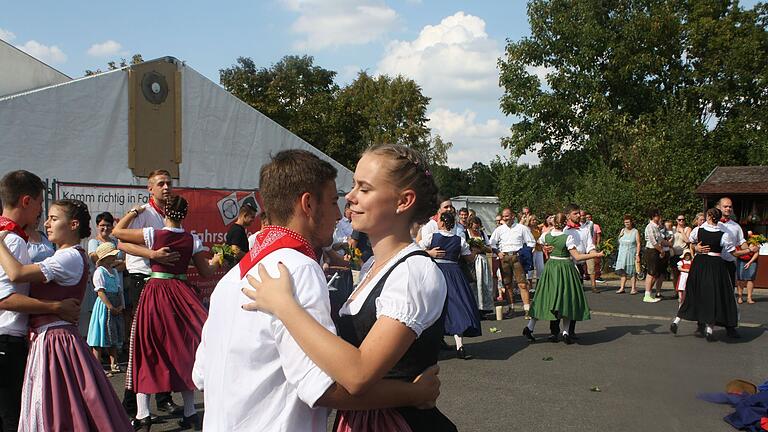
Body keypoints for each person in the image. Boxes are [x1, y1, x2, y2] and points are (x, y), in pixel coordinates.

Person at [195, 148, 443, 431]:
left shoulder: (235, 277)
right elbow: (323, 386)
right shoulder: (304, 268)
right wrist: (415, 393)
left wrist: (285, 308)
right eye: (345, 192)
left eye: (364, 187)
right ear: (308, 205)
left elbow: (202, 375)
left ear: (404, 201)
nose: (348, 199)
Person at [0, 199, 132, 431]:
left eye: (54, 218)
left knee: (58, 407)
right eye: (48, 218)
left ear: (73, 224)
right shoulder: (60, 255)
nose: (47, 224)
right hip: (50, 337)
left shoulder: (69, 256)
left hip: (56, 340)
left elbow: (16, 273)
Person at [112, 195, 220, 430]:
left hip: (156, 293)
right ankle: (191, 411)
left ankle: (143, 414)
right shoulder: (192, 240)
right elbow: (205, 271)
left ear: (165, 213)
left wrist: (134, 212)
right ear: (185, 214)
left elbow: (117, 232)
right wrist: (219, 260)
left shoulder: (154, 234)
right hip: (181, 295)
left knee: (147, 346)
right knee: (183, 349)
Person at [0, 171, 80, 432]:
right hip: (8, 337)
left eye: (53, 217)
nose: (43, 216)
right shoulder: (11, 239)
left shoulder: (13, 238)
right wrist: (54, 307)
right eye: (39, 204)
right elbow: (5, 297)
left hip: (18, 337)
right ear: (26, 201)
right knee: (14, 416)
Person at [117, 169, 181, 418]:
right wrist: (152, 255)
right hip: (143, 281)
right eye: (161, 184)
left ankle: (164, 398)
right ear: (150, 189)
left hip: (164, 283)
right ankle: (131, 407)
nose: (166, 187)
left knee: (165, 342)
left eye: (169, 183)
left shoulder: (172, 215)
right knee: (142, 345)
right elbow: (121, 242)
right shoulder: (144, 213)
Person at [670, 208, 752, 341]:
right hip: (714, 264)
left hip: (700, 264)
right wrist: (749, 250)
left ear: (708, 217)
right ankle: (709, 329)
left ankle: (678, 320)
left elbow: (690, 242)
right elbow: (734, 253)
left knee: (693, 291)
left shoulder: (699, 230)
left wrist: (696, 248)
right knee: (712, 295)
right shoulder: (723, 234)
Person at [524, 213, 604, 344]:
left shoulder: (546, 235)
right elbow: (577, 257)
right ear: (564, 222)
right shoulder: (567, 238)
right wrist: (596, 254)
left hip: (550, 268)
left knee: (545, 298)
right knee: (566, 299)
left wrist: (544, 248)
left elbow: (535, 244)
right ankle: (566, 331)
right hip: (565, 269)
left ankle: (530, 327)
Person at [420, 211, 480, 360]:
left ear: (441, 223)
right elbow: (469, 258)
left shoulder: (431, 237)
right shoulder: (459, 240)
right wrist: (477, 251)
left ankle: (429, 344)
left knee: (431, 306)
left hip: (436, 272)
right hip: (454, 274)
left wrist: (429, 253)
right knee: (456, 306)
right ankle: (459, 346)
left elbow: (415, 250)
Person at [489, 208, 536, 318]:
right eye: (503, 216)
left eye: (507, 216)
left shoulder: (522, 228)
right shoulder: (499, 229)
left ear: (513, 216)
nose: (505, 218)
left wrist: (524, 253)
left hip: (517, 256)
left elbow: (531, 242)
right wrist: (498, 252)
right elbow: (492, 244)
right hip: (504, 257)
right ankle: (511, 308)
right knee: (507, 284)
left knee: (522, 284)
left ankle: (527, 309)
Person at [87, 242, 124, 376]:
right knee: (100, 335)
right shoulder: (100, 272)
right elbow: (101, 292)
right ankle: (97, 366)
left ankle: (114, 363)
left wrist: (120, 305)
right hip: (104, 306)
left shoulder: (113, 271)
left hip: (114, 303)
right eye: (111, 256)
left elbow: (118, 290)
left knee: (113, 334)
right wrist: (110, 306)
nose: (114, 258)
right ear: (104, 258)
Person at [467, 216, 494, 313]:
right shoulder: (466, 233)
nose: (476, 229)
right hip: (471, 260)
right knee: (474, 284)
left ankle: (484, 308)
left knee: (484, 283)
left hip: (482, 260)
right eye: (474, 227)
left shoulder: (482, 234)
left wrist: (481, 248)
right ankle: (475, 308)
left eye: (477, 227)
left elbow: (490, 249)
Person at [642, 208, 666, 303]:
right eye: (657, 215)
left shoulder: (656, 227)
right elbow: (653, 241)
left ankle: (649, 292)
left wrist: (668, 244)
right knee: (651, 272)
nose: (659, 217)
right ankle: (647, 295)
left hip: (656, 250)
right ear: (653, 216)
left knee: (655, 273)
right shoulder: (649, 227)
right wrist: (661, 250)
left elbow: (660, 239)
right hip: (651, 250)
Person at [614, 215, 641, 294]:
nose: (626, 224)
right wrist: (620, 236)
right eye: (625, 222)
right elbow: (619, 241)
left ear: (631, 222)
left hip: (631, 253)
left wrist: (637, 254)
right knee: (622, 271)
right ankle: (622, 287)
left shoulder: (635, 231)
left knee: (632, 271)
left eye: (628, 222)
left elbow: (638, 243)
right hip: (622, 253)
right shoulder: (622, 230)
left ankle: (633, 288)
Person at [670, 214, 691, 298]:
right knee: (675, 274)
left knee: (684, 274)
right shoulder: (673, 229)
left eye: (683, 219)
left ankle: (686, 292)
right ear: (676, 220)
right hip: (674, 254)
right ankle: (676, 292)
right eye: (679, 220)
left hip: (684, 255)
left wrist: (682, 232)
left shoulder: (687, 229)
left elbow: (687, 240)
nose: (681, 221)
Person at [526, 215, 545, 292]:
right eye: (532, 220)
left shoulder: (537, 229)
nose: (534, 221)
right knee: (531, 267)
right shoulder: (527, 230)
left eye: (535, 220)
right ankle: (530, 286)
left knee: (540, 267)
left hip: (539, 249)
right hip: (531, 250)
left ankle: (539, 285)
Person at [585, 213, 605, 283]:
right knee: (585, 261)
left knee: (596, 261)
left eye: (589, 217)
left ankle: (597, 276)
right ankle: (586, 275)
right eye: (586, 217)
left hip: (593, 245)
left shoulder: (595, 226)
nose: (588, 219)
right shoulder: (584, 226)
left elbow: (598, 236)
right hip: (586, 246)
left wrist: (597, 244)